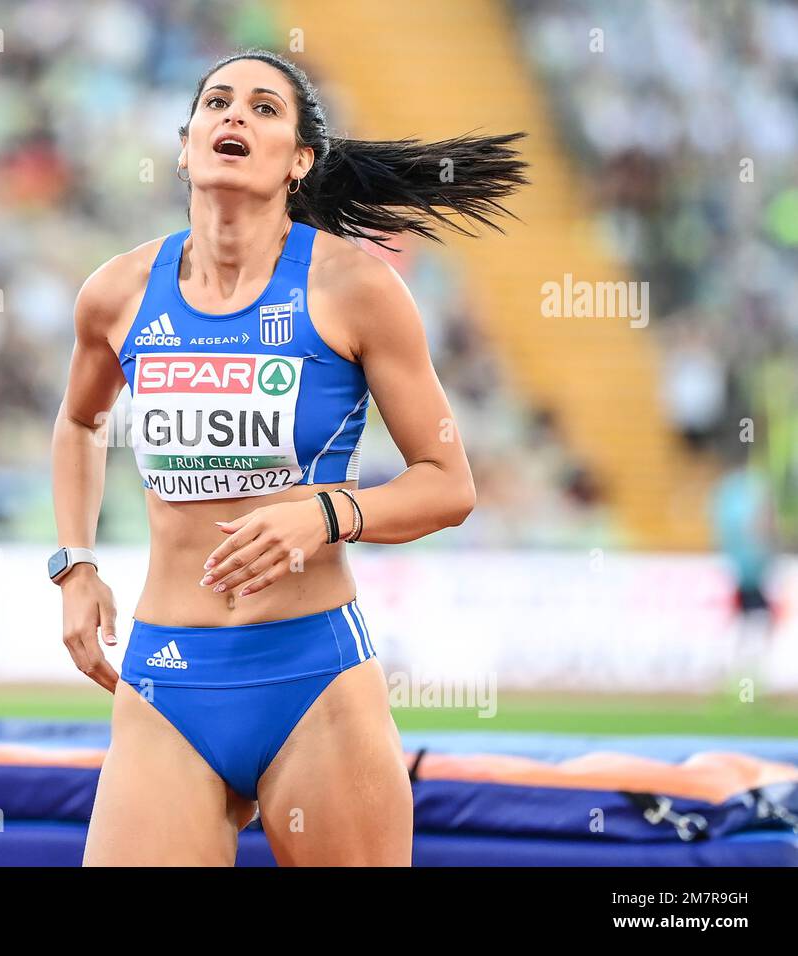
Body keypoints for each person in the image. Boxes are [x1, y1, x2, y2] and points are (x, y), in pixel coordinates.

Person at [49, 49, 526, 866]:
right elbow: (81, 422)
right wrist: (75, 566)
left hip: (313, 678)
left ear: (301, 160)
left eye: (264, 108)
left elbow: (448, 485)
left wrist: (327, 514)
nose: (234, 115)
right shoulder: (118, 292)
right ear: (186, 141)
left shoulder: (355, 289)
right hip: (168, 677)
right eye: (217, 102)